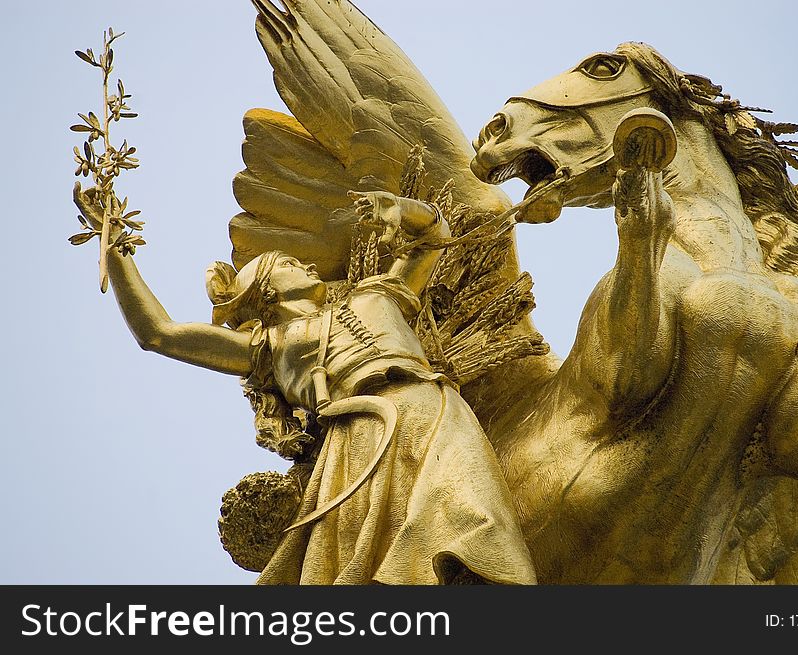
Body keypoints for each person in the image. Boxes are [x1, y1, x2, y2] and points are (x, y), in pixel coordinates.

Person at [74, 183, 537, 585]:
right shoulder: (270, 346)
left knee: (474, 512)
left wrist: (399, 207)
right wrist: (113, 242)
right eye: (291, 264)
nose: (309, 267)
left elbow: (433, 237)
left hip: (430, 406)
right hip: (355, 439)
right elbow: (158, 333)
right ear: (267, 291)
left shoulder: (376, 292)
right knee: (362, 560)